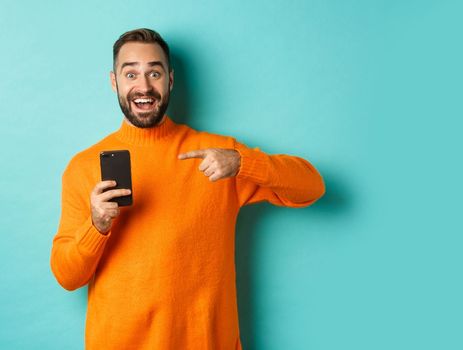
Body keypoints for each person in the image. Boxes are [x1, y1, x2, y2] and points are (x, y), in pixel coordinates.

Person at [49, 28, 325, 350]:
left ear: (170, 80)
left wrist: (242, 163)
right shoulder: (84, 167)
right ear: (114, 82)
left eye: (154, 72)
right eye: (131, 74)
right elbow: (67, 277)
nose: (144, 86)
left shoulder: (219, 156)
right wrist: (96, 225)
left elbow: (311, 186)